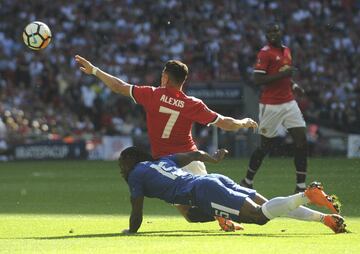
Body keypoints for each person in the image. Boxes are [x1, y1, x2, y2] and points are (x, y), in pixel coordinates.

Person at [75, 55, 257, 230]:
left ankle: (229, 210)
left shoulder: (152, 94)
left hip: (166, 165)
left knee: (191, 215)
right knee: (202, 203)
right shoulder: (191, 103)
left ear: (166, 77)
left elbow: (119, 86)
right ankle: (224, 211)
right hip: (190, 158)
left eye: (163, 73)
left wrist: (94, 70)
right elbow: (225, 122)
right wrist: (244, 122)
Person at [119, 146, 346, 234]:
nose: (121, 168)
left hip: (203, 191)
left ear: (132, 159)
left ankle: (307, 195)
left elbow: (137, 212)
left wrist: (131, 231)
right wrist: (214, 160)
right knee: (268, 207)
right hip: (213, 179)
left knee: (259, 217)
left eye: (122, 163)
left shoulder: (136, 174)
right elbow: (195, 154)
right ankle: (325, 219)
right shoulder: (163, 160)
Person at [240, 22, 308, 193]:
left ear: (280, 32)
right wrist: (284, 74)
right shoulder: (265, 53)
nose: (272, 35)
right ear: (266, 36)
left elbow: (284, 77)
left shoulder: (286, 50)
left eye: (275, 31)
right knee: (265, 146)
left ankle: (300, 187)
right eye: (269, 32)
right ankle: (247, 181)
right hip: (271, 105)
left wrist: (293, 86)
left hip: (289, 102)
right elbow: (257, 79)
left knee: (301, 141)